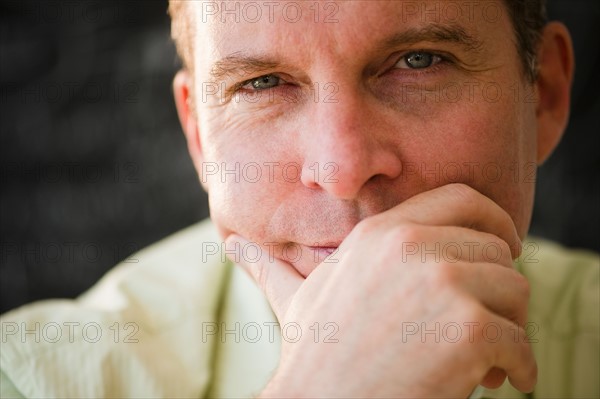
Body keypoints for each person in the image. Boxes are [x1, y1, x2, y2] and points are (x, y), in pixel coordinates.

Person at [1, 1, 598, 398]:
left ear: (542, 95)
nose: (341, 169)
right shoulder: (29, 378)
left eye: (419, 61)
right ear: (200, 137)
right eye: (262, 83)